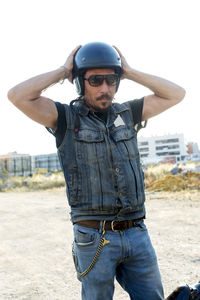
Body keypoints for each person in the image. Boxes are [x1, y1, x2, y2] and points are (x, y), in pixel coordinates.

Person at [8, 42, 185, 300]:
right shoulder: (66, 118)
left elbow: (176, 94)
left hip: (137, 233)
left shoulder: (128, 113)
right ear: (80, 82)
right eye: (95, 80)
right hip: (94, 237)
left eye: (111, 80)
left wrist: (130, 71)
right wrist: (62, 71)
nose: (105, 88)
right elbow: (18, 96)